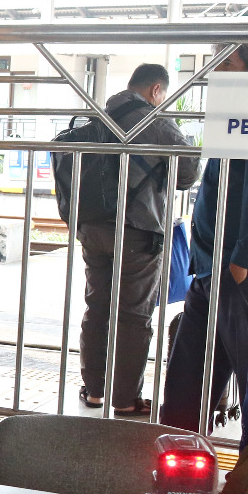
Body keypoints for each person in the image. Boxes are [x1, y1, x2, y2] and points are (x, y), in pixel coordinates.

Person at [161, 42, 248, 433]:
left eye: (227, 64)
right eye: (214, 64)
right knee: (189, 370)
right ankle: (179, 443)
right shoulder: (235, 117)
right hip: (211, 266)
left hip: (237, 270)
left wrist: (242, 263)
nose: (215, 73)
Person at [57, 63, 199, 416]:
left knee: (98, 307)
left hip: (92, 228)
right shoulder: (156, 122)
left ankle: (94, 391)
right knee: (134, 315)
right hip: (137, 231)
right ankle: (124, 399)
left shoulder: (97, 118)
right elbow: (188, 175)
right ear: (156, 90)